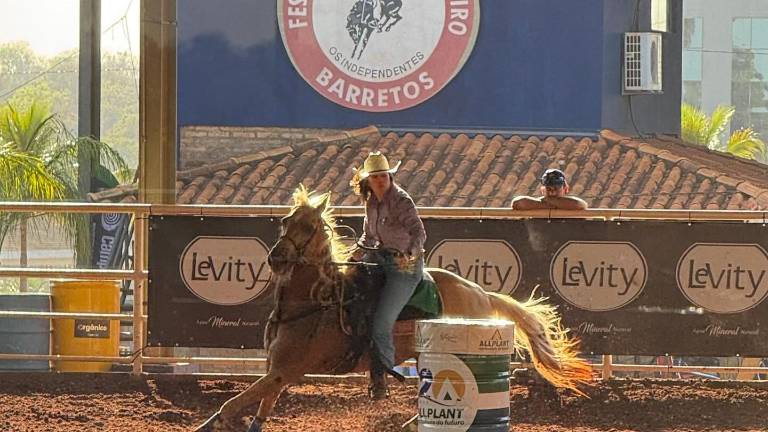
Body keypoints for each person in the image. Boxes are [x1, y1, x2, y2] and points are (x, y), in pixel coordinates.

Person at [351, 151, 426, 399]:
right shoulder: (371, 202)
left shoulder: (402, 201)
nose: (381, 180)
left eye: (384, 176)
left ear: (390, 176)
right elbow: (368, 237)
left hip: (403, 268)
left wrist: (409, 253)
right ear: (368, 181)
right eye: (376, 177)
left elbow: (418, 233)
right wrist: (355, 255)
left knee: (382, 322)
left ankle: (381, 376)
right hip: (377, 259)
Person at [511, 168, 588, 210]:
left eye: (556, 188)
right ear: (542, 190)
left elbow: (580, 205)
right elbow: (517, 203)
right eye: (548, 189)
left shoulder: (572, 205)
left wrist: (549, 201)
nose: (552, 193)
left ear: (566, 189)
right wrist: (548, 204)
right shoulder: (536, 205)